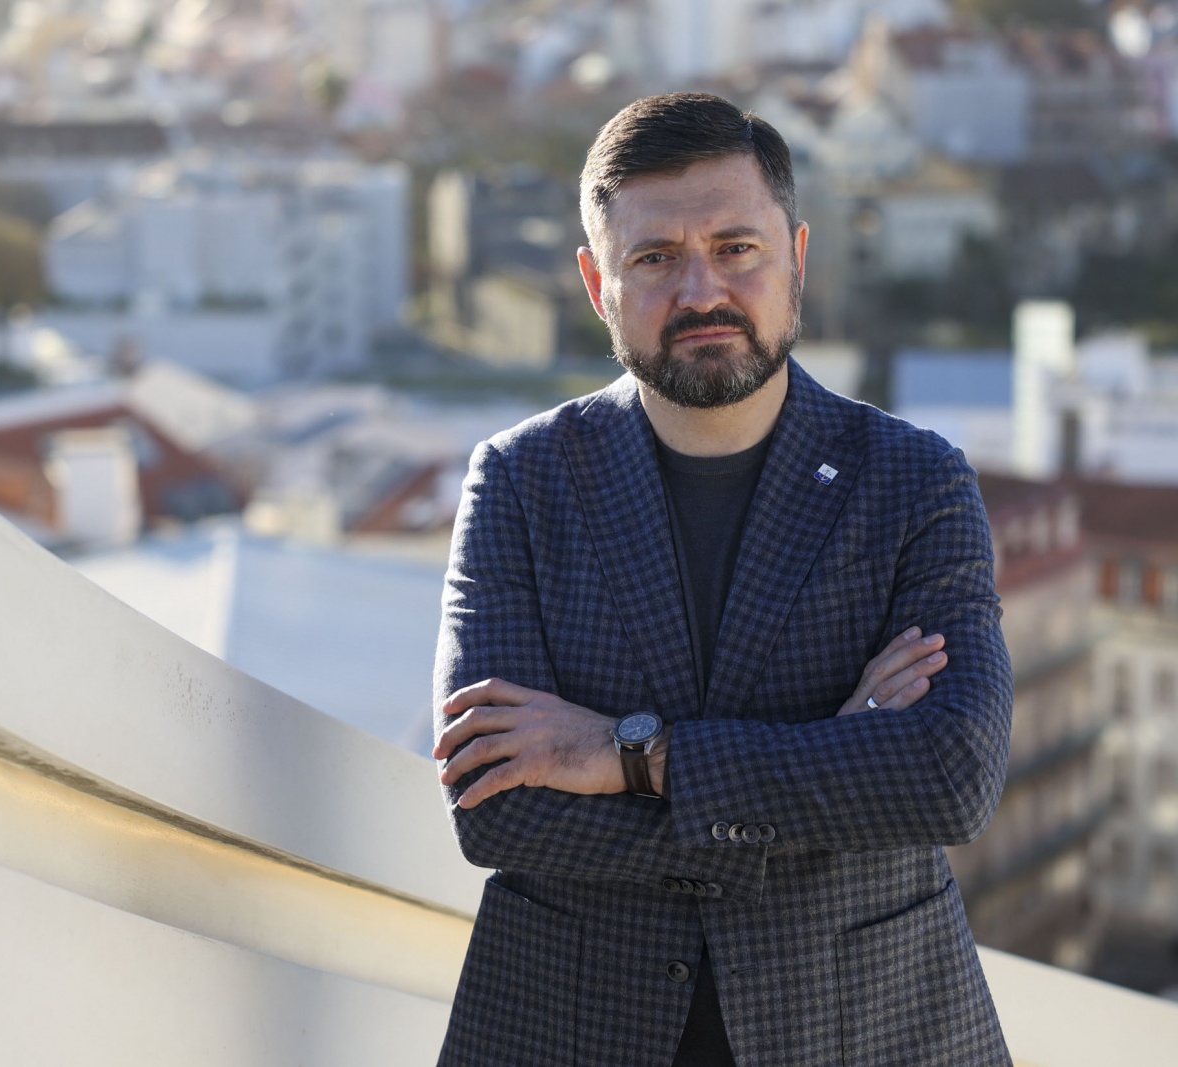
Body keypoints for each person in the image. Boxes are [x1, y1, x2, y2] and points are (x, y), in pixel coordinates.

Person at [431, 92, 1013, 1067]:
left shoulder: (915, 478)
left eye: (735, 247)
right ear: (595, 281)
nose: (701, 288)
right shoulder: (519, 481)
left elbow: (949, 774)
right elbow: (497, 806)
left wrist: (630, 757)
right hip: (569, 1031)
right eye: (653, 257)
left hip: (868, 1026)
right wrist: (834, 764)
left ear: (794, 254)